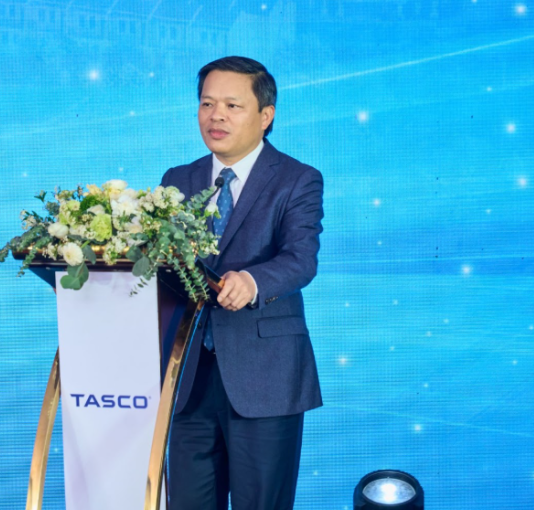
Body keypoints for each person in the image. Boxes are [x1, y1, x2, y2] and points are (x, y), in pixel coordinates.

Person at [160, 56, 324, 510]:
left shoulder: (297, 179)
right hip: (188, 374)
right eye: (207, 104)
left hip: (264, 375)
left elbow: (301, 259)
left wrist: (252, 281)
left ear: (265, 115)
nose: (216, 116)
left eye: (232, 106)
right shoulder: (178, 180)